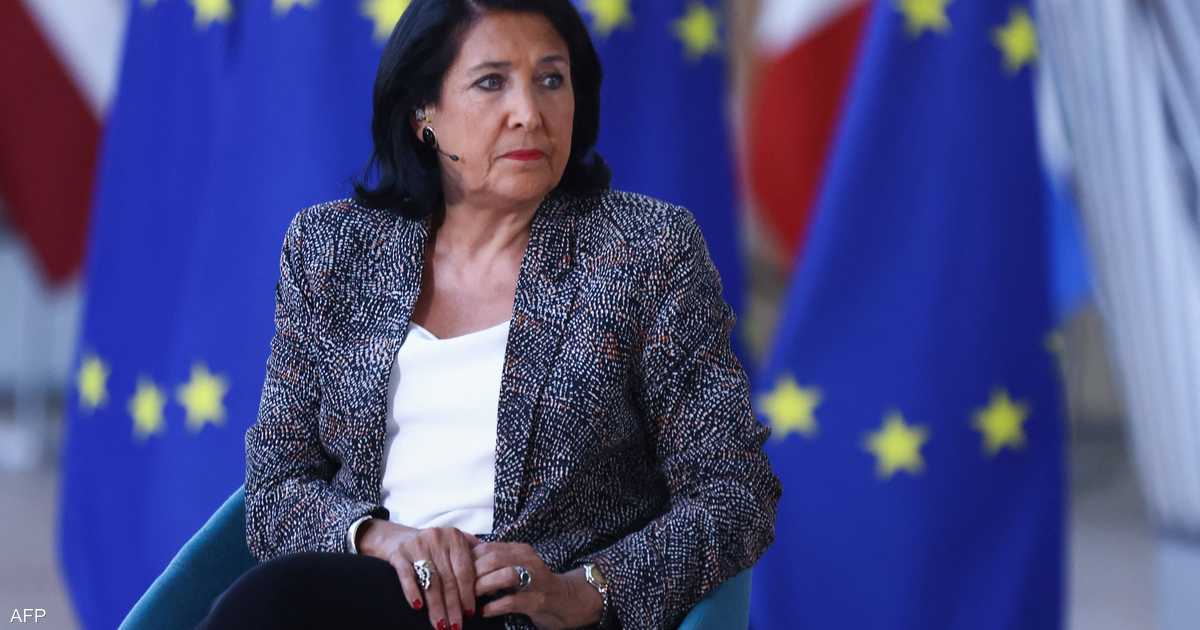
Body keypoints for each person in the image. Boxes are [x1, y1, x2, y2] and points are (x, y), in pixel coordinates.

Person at [198, 1, 781, 629]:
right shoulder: (333, 251)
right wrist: (382, 539)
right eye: (491, 82)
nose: (528, 112)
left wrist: (587, 589)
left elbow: (735, 490)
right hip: (367, 593)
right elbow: (275, 492)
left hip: (529, 613)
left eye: (551, 79)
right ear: (424, 114)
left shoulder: (646, 249)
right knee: (269, 603)